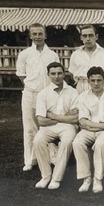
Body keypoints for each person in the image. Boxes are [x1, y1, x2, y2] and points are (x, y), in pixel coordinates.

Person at [31, 62, 79, 190]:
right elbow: (41, 121)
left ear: (64, 74)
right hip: (49, 127)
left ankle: (56, 178)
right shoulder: (43, 94)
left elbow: (75, 118)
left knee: (67, 141)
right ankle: (46, 175)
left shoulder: (73, 92)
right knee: (38, 140)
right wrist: (64, 118)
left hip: (68, 127)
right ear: (48, 75)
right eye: (53, 73)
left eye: (59, 73)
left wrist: (52, 115)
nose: (56, 76)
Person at [15, 23, 56, 171]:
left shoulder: (52, 54)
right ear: (30, 36)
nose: (38, 37)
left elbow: (55, 74)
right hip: (30, 94)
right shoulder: (25, 54)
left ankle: (52, 157)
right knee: (30, 127)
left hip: (47, 95)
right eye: (35, 34)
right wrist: (31, 87)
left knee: (48, 125)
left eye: (40, 34)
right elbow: (21, 74)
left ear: (45, 35)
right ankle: (30, 159)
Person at [72, 66, 104, 194]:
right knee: (77, 142)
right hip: (90, 129)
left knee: (100, 144)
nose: (96, 84)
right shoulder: (83, 96)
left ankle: (98, 179)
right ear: (88, 81)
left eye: (99, 80)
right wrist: (96, 125)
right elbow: (82, 120)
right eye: (93, 81)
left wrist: (95, 126)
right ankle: (86, 178)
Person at [68, 25, 104, 92]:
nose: (88, 39)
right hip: (81, 88)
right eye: (85, 36)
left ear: (96, 37)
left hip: (100, 88)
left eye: (91, 35)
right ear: (81, 37)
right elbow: (72, 74)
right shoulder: (75, 54)